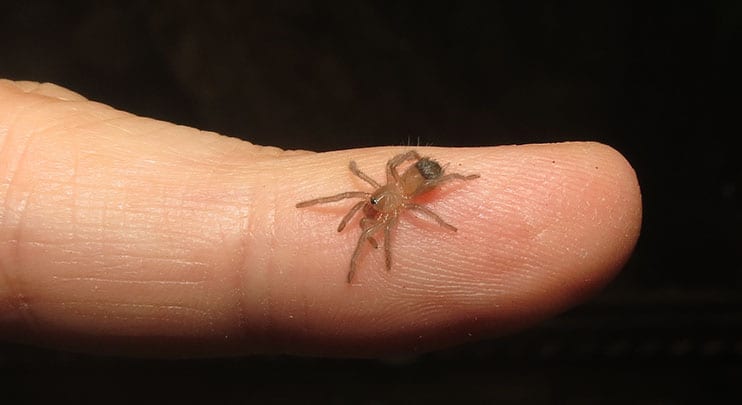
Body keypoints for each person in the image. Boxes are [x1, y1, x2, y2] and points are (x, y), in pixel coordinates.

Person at [0, 79, 642, 357]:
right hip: (414, 179)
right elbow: (369, 191)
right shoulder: (380, 195)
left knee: (405, 212)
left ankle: (449, 181)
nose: (368, 212)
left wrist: (413, 211)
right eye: (371, 209)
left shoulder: (388, 195)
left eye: (371, 210)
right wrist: (396, 194)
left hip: (420, 178)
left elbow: (386, 187)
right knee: (385, 212)